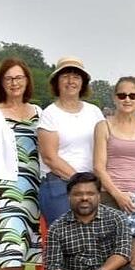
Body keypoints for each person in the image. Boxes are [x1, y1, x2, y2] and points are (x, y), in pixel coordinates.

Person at [0, 58, 43, 270]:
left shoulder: (38, 112)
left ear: (26, 81)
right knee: (2, 251)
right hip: (6, 191)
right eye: (8, 79)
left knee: (21, 252)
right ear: (1, 83)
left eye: (18, 78)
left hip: (32, 192)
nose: (14, 83)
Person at [92, 76, 135, 270]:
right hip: (110, 197)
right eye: (122, 95)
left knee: (134, 259)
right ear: (115, 98)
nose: (127, 99)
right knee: (107, 258)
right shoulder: (104, 126)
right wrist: (117, 194)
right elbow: (99, 166)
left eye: (132, 95)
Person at [38, 172, 135, 270]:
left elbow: (123, 253)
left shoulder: (117, 218)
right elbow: (53, 268)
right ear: (69, 197)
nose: (84, 198)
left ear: (99, 196)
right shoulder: (57, 228)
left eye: (90, 193)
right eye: (78, 194)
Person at [39, 56, 105, 225]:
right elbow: (50, 157)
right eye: (65, 76)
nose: (71, 81)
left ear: (83, 82)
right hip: (60, 185)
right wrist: (80, 183)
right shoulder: (50, 114)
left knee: (92, 243)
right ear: (56, 82)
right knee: (66, 241)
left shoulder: (94, 112)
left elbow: (104, 147)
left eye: (76, 77)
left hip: (91, 185)